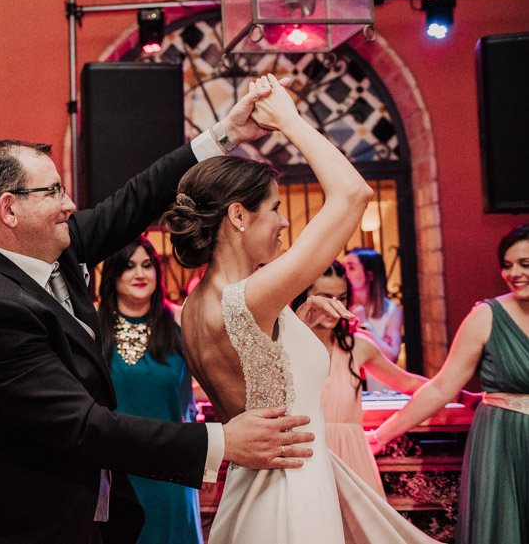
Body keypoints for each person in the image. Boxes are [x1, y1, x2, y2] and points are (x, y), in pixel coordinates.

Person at [0, 76, 316, 544]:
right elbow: (81, 425)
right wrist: (223, 442)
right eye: (52, 192)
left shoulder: (46, 250)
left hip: (83, 512)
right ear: (8, 210)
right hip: (22, 527)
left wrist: (226, 134)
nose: (70, 204)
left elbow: (134, 201)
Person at [163, 74, 437, 543]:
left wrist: (295, 329)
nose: (284, 221)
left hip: (258, 488)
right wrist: (288, 120)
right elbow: (353, 194)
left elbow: (256, 373)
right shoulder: (251, 297)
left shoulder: (197, 304)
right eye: (273, 208)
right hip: (293, 490)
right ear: (237, 216)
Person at [369, 223, 529, 544]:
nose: (514, 273)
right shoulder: (487, 316)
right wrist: (380, 435)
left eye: (525, 264)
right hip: (503, 441)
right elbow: (442, 387)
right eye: (507, 265)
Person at [292, 261, 479, 499]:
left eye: (342, 297)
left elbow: (409, 384)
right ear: (305, 298)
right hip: (302, 454)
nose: (335, 306)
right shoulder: (283, 342)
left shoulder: (358, 345)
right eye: (326, 297)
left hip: (351, 456)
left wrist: (462, 397)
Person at [97, 236, 203, 544]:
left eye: (147, 265)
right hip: (114, 473)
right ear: (114, 274)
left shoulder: (182, 322)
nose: (140, 274)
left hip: (172, 472)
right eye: (129, 266)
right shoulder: (92, 327)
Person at [345, 247, 404, 392]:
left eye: (351, 268)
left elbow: (391, 356)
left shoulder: (390, 310)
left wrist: (364, 325)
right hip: (347, 386)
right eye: (344, 267)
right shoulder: (340, 306)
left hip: (378, 389)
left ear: (369, 275)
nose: (345, 274)